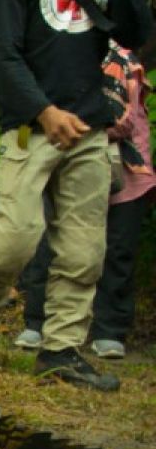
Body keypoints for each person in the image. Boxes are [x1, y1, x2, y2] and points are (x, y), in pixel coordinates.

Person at [0, 0, 152, 391]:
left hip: (89, 129)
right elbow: (4, 56)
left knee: (84, 249)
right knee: (15, 237)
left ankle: (61, 350)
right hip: (28, 129)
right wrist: (44, 111)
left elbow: (135, 35)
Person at [14, 43, 155, 360]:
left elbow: (121, 121)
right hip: (60, 166)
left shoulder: (123, 62)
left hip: (126, 172)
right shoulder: (51, 56)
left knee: (116, 251)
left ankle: (109, 331)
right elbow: (27, 118)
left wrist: (64, 125)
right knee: (47, 244)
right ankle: (37, 323)